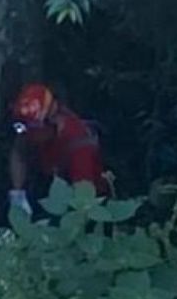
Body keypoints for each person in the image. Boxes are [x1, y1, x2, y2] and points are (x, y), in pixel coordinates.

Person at [7, 82, 108, 214]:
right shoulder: (31, 132)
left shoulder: (79, 145)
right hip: (47, 184)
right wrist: (18, 194)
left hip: (83, 198)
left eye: (36, 131)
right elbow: (19, 152)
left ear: (54, 121)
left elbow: (84, 199)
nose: (31, 137)